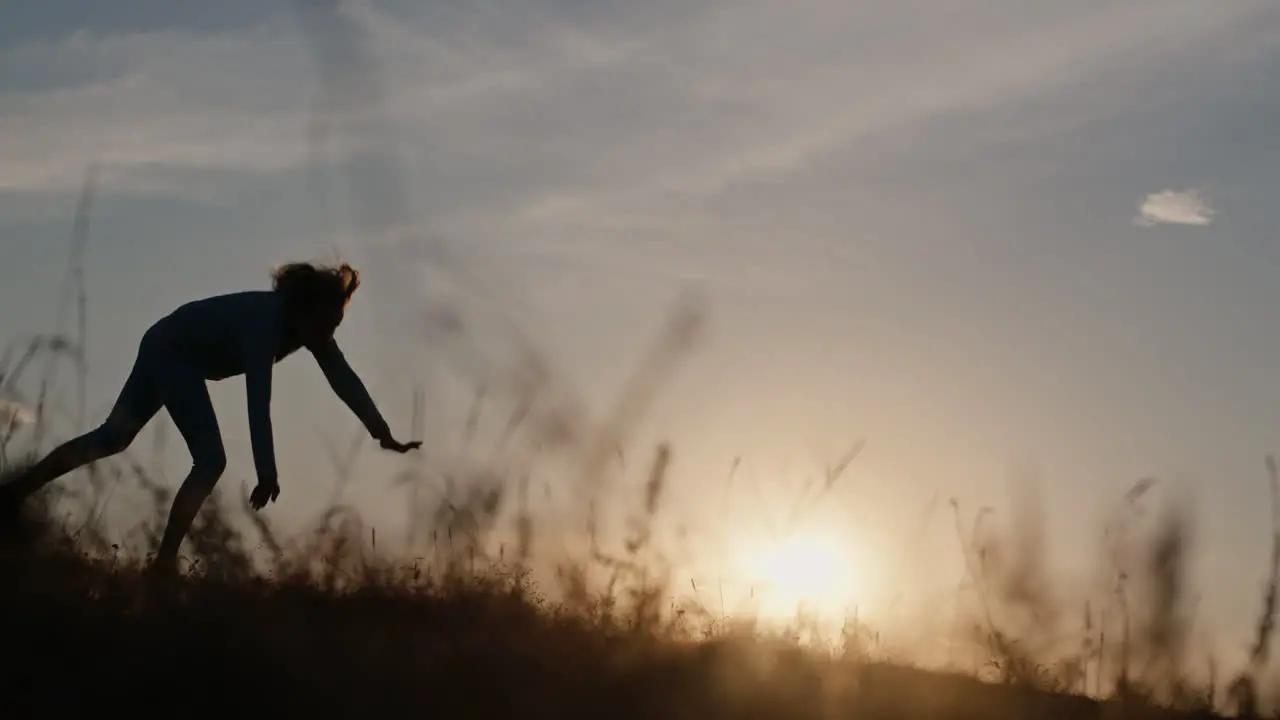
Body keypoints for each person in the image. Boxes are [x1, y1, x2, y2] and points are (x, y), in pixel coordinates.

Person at [0, 261, 420, 572]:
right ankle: (163, 564)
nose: (328, 336)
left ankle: (16, 491)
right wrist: (267, 472)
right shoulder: (265, 323)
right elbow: (259, 400)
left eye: (336, 326)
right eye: (325, 324)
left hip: (166, 342)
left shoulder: (309, 331)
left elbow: (343, 378)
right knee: (208, 459)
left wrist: (381, 432)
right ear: (303, 309)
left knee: (114, 438)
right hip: (172, 351)